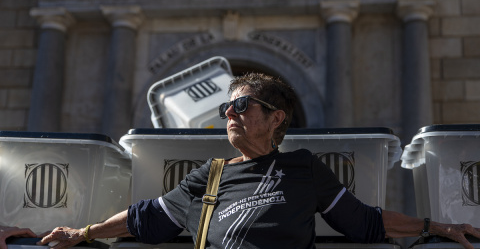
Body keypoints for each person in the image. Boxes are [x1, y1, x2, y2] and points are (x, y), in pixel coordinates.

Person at [38, 72, 480, 249]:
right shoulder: (205, 179)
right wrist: (83, 232)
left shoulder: (303, 168)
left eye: (243, 105)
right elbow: (142, 218)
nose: (230, 114)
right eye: (226, 108)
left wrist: (436, 226)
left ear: (275, 119)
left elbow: (367, 222)